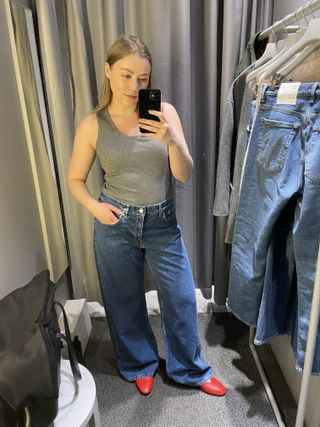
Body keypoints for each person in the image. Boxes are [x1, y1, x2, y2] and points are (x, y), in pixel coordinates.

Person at [68, 34, 226, 396]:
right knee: (123, 300)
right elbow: (75, 180)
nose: (134, 86)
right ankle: (139, 363)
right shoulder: (93, 125)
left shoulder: (164, 113)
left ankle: (191, 370)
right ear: (108, 71)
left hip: (161, 222)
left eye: (142, 79)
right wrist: (95, 207)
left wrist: (171, 140)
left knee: (182, 297)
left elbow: (183, 174)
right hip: (115, 224)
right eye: (126, 75)